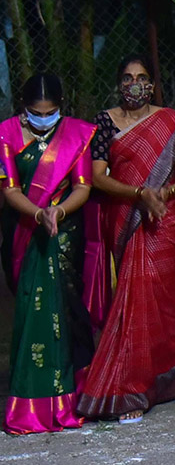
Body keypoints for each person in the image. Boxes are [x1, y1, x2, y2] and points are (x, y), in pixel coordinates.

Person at [76, 55, 175, 423]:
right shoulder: (105, 123)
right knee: (133, 301)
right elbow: (97, 176)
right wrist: (140, 193)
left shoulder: (170, 121)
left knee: (165, 302)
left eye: (140, 78)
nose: (133, 84)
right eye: (126, 78)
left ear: (151, 85)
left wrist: (166, 193)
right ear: (118, 84)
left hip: (165, 219)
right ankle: (131, 385)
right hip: (127, 218)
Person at [0, 73, 95, 435]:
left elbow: (83, 187)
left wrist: (58, 212)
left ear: (61, 108)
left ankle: (77, 398)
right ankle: (30, 405)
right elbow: (10, 190)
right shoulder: (6, 135)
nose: (44, 119)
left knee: (70, 311)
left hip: (65, 232)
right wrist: (38, 213)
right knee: (29, 315)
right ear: (23, 110)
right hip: (25, 231)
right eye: (37, 113)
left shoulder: (77, 134)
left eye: (51, 112)